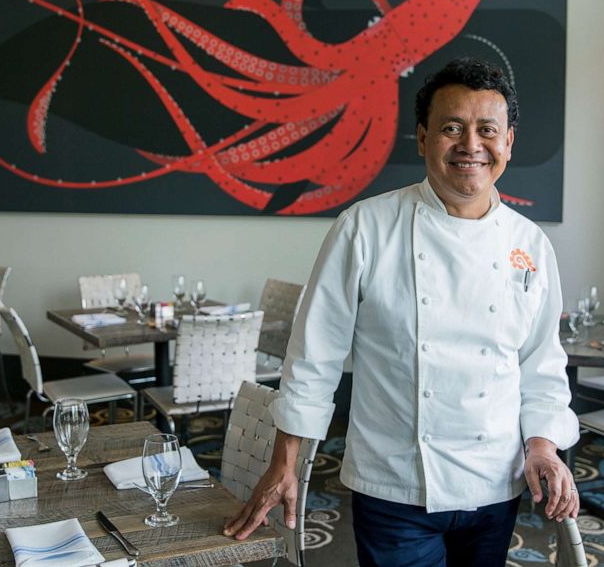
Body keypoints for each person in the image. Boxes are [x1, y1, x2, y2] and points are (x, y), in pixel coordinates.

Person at [224, 58, 580, 566]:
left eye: (487, 131)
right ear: (422, 138)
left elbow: (540, 365)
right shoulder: (365, 228)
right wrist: (286, 461)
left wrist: (542, 447)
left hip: (497, 482)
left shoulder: (531, 245)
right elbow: (314, 356)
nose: (470, 146)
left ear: (508, 143)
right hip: (395, 484)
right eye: (451, 128)